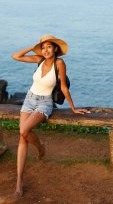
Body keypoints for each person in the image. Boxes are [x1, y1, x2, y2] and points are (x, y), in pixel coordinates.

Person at [11, 34, 90, 197]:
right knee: (22, 136)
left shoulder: (59, 63)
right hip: (29, 99)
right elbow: (15, 56)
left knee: (23, 132)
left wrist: (73, 108)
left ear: (55, 48)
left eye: (49, 47)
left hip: (44, 103)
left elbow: (63, 87)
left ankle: (41, 148)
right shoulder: (38, 59)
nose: (46, 50)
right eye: (43, 47)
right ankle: (19, 181)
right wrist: (33, 48)